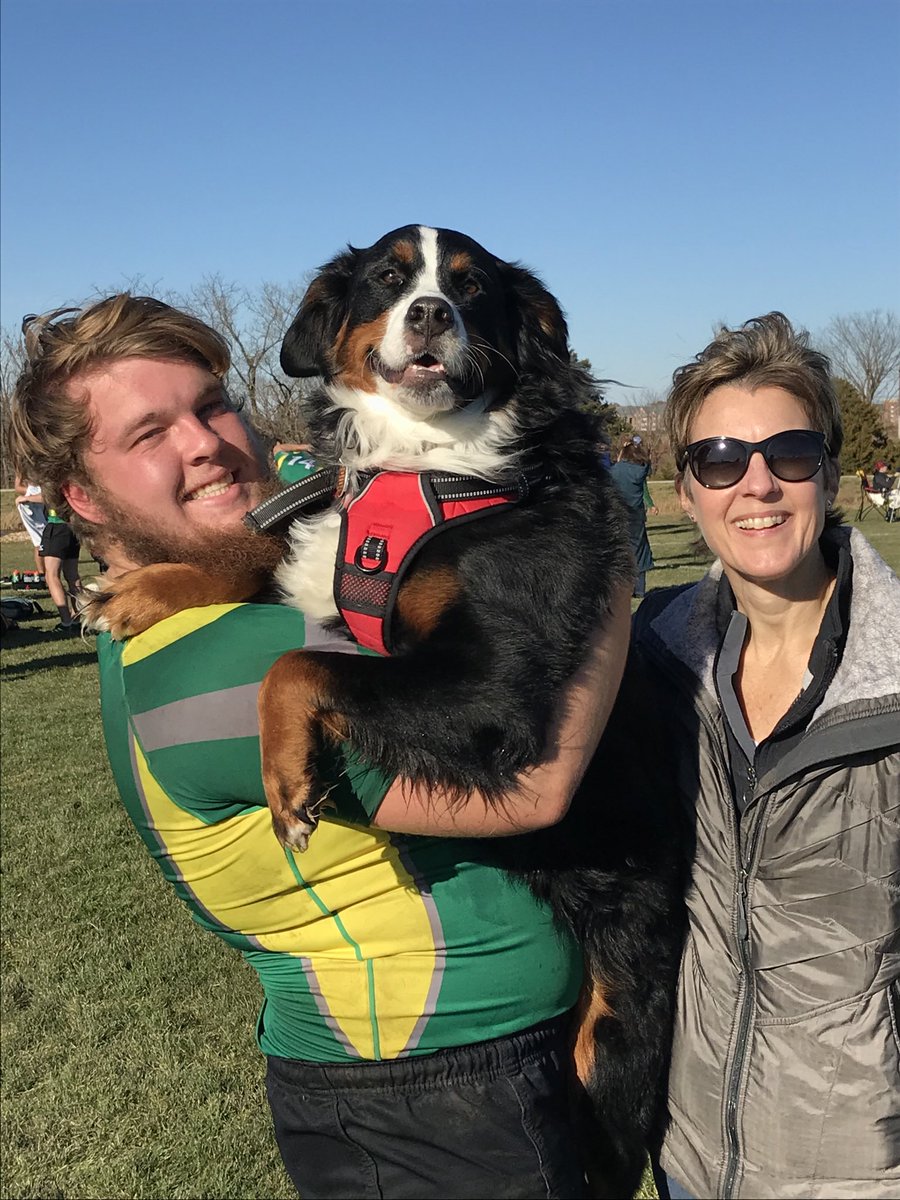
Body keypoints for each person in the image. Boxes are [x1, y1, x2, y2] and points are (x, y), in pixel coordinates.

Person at [10, 295, 632, 1200]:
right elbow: (530, 779)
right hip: (425, 1099)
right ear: (77, 495)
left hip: (474, 1076)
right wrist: (602, 569)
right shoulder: (211, 670)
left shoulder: (217, 602)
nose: (206, 443)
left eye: (212, 404)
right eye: (151, 433)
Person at [602, 313, 899, 1198]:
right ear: (686, 492)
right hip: (691, 1160)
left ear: (833, 474)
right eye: (721, 460)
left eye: (792, 453)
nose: (758, 485)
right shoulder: (645, 657)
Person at [609, 435, 657, 599]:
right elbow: (647, 464)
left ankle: (623, 588)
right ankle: (640, 589)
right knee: (640, 550)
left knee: (621, 549)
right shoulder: (641, 470)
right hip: (637, 514)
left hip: (619, 512)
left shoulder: (615, 470)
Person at [13, 473, 47, 580]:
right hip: (32, 508)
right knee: (40, 542)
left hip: (41, 505)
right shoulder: (33, 489)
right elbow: (19, 488)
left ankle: (44, 575)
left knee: (42, 542)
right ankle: (42, 575)